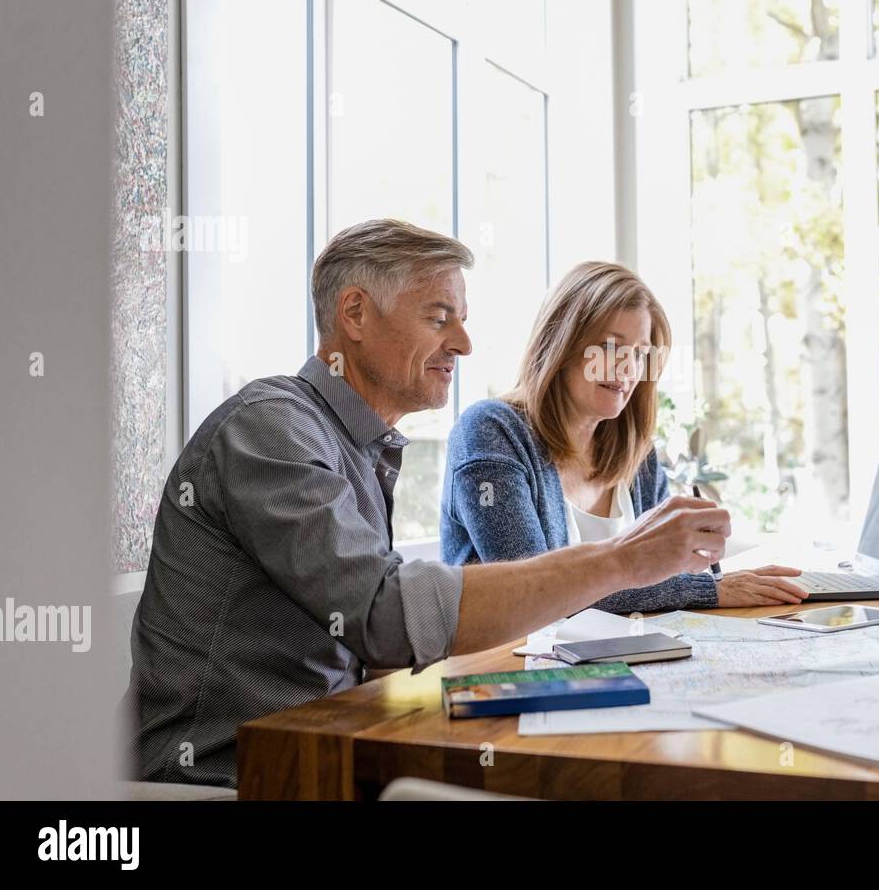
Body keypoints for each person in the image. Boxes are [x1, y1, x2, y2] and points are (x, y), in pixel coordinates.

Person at [125, 220, 731, 787]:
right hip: (233, 777)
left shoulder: (357, 446)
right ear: (355, 313)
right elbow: (384, 616)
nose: (464, 343)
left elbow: (370, 655)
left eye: (462, 320)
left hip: (328, 751)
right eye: (440, 318)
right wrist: (622, 559)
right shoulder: (271, 429)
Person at [441, 261, 806, 613]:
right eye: (612, 347)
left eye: (640, 354)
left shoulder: (637, 454)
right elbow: (534, 592)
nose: (628, 369)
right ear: (562, 345)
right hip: (507, 669)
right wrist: (708, 591)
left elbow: (671, 576)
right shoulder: (491, 431)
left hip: (622, 659)